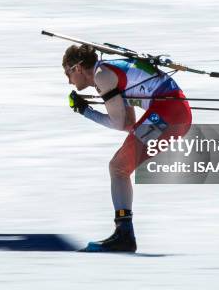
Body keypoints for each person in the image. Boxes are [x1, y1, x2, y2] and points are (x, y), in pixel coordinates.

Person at [62, 44, 192, 252]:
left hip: (167, 114)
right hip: (173, 114)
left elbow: (118, 123)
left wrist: (85, 111)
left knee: (118, 168)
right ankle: (124, 233)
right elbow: (129, 124)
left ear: (77, 68)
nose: (68, 80)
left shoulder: (102, 75)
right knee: (119, 167)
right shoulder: (109, 70)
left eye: (67, 73)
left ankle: (124, 236)